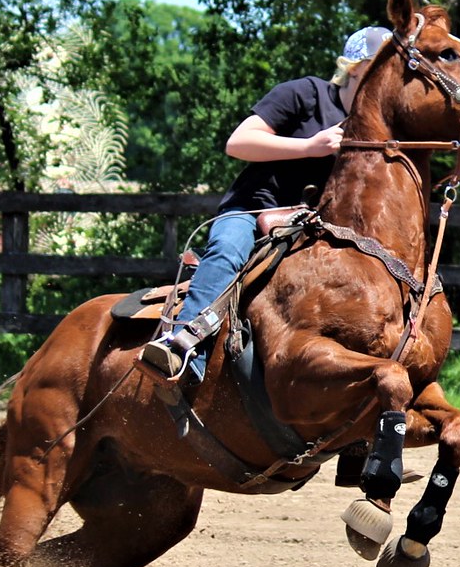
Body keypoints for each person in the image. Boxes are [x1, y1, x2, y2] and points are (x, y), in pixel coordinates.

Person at [141, 26, 393, 383]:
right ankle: (183, 349)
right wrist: (309, 147)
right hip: (252, 209)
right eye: (378, 65)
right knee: (227, 250)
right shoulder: (305, 94)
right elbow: (238, 142)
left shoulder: (375, 126)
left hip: (316, 227)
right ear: (354, 68)